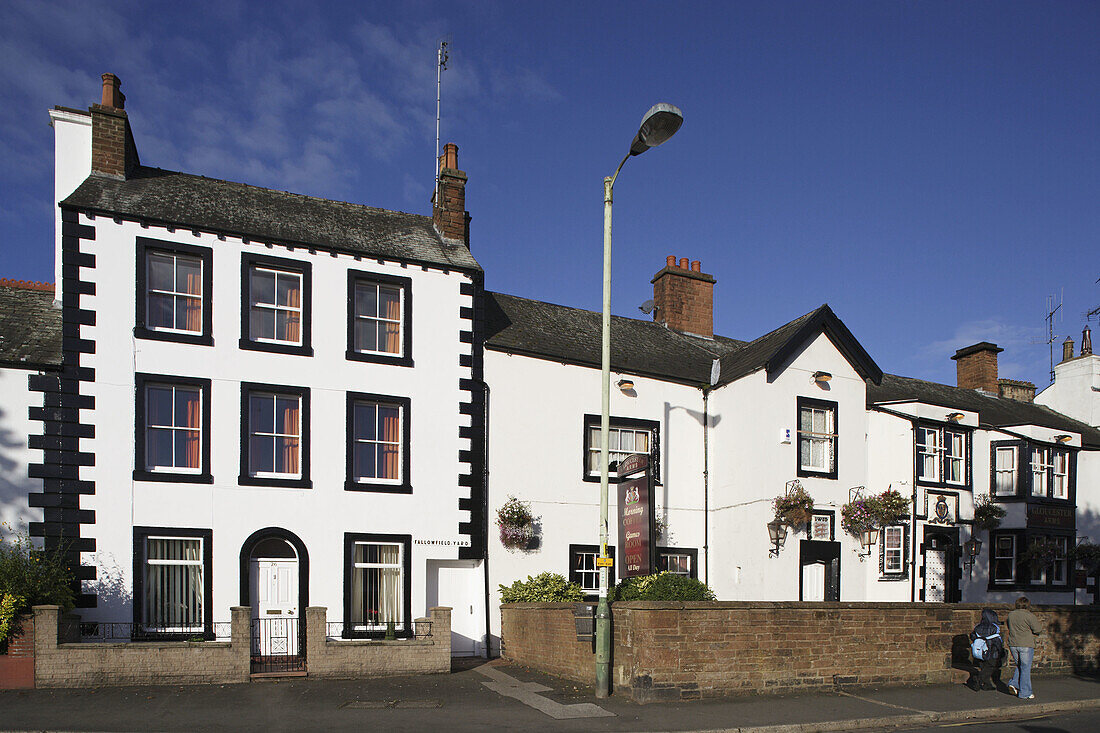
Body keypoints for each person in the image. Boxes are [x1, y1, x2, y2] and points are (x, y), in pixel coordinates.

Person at [1005, 596, 1043, 699]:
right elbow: (1038, 629)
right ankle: (1025, 693)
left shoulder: (1011, 615)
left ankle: (1013, 683)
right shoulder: (1029, 615)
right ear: (1027, 605)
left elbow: (1008, 626)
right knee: (1025, 668)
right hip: (1025, 644)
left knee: (1020, 665)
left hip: (1013, 643)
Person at [968, 608, 1004, 691]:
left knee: (983, 667)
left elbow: (972, 636)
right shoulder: (994, 627)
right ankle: (978, 678)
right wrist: (1000, 650)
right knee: (990, 667)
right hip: (992, 651)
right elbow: (997, 640)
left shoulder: (978, 626)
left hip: (979, 651)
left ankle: (986, 685)